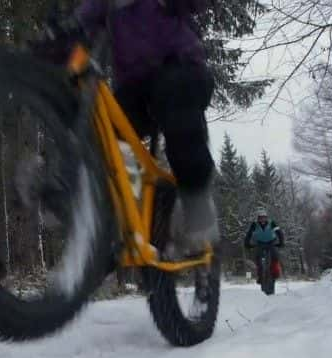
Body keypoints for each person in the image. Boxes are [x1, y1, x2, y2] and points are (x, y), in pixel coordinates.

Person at [67, 0, 219, 250]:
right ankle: (120, 218)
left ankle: (196, 198)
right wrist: (63, 33)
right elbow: (82, 21)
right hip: (134, 89)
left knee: (178, 112)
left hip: (180, 67)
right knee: (104, 135)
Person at [243, 207, 284, 283]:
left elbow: (279, 232)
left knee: (275, 256)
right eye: (260, 218)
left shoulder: (272, 223)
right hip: (260, 242)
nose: (262, 220)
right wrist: (247, 243)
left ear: (266, 218)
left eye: (264, 218)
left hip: (271, 241)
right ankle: (260, 275)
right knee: (258, 257)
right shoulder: (254, 224)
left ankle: (275, 273)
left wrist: (281, 242)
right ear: (258, 218)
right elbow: (249, 234)